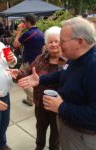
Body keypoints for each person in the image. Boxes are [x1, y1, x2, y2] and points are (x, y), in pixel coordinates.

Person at [17, 17, 96, 150]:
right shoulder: (76, 56)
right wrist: (40, 80)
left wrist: (61, 107)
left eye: (62, 41)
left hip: (81, 136)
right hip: (67, 125)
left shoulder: (93, 66)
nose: (58, 45)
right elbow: (63, 73)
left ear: (80, 42)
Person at [9, 26, 66, 150]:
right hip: (40, 103)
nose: (53, 44)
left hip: (59, 105)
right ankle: (39, 147)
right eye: (50, 42)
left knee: (56, 133)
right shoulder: (40, 59)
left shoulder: (69, 61)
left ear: (62, 42)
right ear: (46, 43)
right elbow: (29, 71)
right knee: (40, 129)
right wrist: (18, 73)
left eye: (56, 41)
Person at [13, 13, 45, 106]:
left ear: (28, 22)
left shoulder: (28, 33)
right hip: (38, 61)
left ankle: (36, 99)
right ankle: (29, 100)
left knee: (20, 79)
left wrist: (19, 30)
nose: (23, 23)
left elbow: (15, 44)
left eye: (24, 21)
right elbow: (43, 47)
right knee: (32, 81)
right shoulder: (41, 32)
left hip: (28, 62)